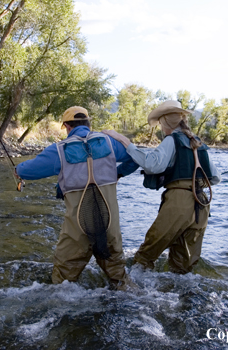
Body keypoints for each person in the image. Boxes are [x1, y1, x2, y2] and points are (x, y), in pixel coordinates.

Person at [15, 106, 139, 290]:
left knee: (62, 284)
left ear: (66, 126)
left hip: (77, 229)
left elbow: (27, 170)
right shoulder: (109, 143)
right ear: (88, 124)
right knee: (120, 280)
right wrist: (119, 173)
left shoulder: (59, 150)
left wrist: (17, 170)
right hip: (109, 225)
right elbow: (136, 157)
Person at [103, 100, 221, 274]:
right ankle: (182, 298)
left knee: (148, 251)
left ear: (166, 122)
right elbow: (215, 178)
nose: (159, 127)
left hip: (178, 202)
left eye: (160, 123)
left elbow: (152, 165)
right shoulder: (198, 142)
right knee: (183, 266)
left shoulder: (172, 140)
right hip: (201, 204)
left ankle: (130, 291)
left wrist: (124, 141)